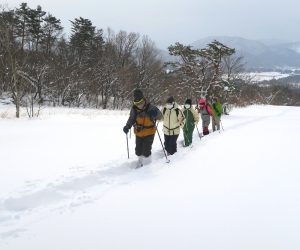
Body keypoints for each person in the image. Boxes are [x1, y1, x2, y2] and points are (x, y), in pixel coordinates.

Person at [123, 89, 162, 168]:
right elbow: (131, 119)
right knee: (138, 151)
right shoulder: (134, 108)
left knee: (146, 151)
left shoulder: (151, 107)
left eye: (140, 103)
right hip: (138, 132)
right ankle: (140, 161)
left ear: (143, 99)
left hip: (149, 132)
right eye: (137, 103)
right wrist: (127, 126)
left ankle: (147, 166)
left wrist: (155, 114)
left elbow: (160, 117)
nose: (139, 105)